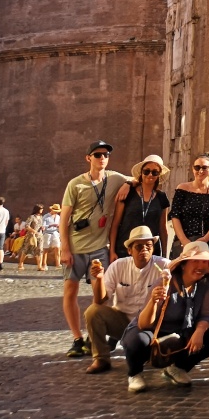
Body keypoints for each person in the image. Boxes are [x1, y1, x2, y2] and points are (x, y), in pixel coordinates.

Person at [60, 140, 133, 359]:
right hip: (75, 246)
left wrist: (128, 185)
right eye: (98, 154)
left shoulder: (115, 178)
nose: (102, 158)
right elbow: (64, 218)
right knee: (70, 291)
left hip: (100, 247)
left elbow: (137, 178)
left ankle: (93, 336)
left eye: (106, 155)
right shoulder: (75, 184)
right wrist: (64, 248)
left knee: (101, 295)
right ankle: (77, 338)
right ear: (88, 158)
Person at [122, 240, 209, 393]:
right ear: (183, 265)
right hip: (154, 330)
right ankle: (134, 373)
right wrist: (153, 301)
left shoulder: (204, 286)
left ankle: (177, 368)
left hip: (182, 331)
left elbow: (206, 315)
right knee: (137, 340)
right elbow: (144, 324)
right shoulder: (164, 283)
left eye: (204, 261)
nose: (201, 266)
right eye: (195, 261)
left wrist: (200, 331)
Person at [83, 225, 169, 373]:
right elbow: (100, 301)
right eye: (139, 246)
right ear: (129, 250)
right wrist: (99, 279)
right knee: (93, 311)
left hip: (151, 324)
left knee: (148, 354)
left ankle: (149, 350)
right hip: (123, 321)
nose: (144, 249)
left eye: (148, 246)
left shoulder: (164, 266)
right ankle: (101, 358)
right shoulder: (118, 266)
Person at [110, 156, 170, 259]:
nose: (150, 175)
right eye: (146, 171)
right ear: (141, 173)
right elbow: (115, 224)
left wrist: (165, 254)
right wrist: (112, 251)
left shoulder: (162, 197)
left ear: (158, 175)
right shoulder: (128, 193)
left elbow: (163, 228)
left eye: (154, 172)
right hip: (125, 249)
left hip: (150, 251)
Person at [168, 154, 209, 260]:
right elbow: (175, 216)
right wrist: (185, 241)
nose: (201, 171)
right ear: (193, 169)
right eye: (197, 167)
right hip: (182, 242)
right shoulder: (182, 188)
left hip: (208, 243)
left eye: (204, 167)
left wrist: (205, 239)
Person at [18, 204, 46, 272]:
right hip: (31, 236)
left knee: (40, 250)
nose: (42, 210)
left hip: (39, 236)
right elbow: (27, 225)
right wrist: (33, 230)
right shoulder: (32, 217)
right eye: (41, 209)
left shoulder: (41, 217)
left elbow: (40, 225)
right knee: (26, 250)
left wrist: (42, 227)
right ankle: (21, 264)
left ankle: (39, 266)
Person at [42, 203, 63, 269]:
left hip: (55, 233)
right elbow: (43, 226)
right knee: (46, 249)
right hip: (47, 233)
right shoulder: (46, 216)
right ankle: (44, 264)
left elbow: (60, 224)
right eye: (55, 211)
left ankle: (58, 264)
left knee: (57, 248)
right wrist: (51, 225)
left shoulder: (58, 217)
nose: (56, 212)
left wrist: (59, 226)